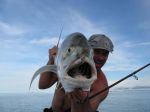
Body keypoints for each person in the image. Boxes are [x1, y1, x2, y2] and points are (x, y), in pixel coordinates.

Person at [39, 34, 114, 112]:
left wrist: (79, 100)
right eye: (97, 51)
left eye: (105, 54)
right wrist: (51, 59)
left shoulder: (102, 85)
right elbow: (43, 85)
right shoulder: (67, 63)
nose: (101, 58)